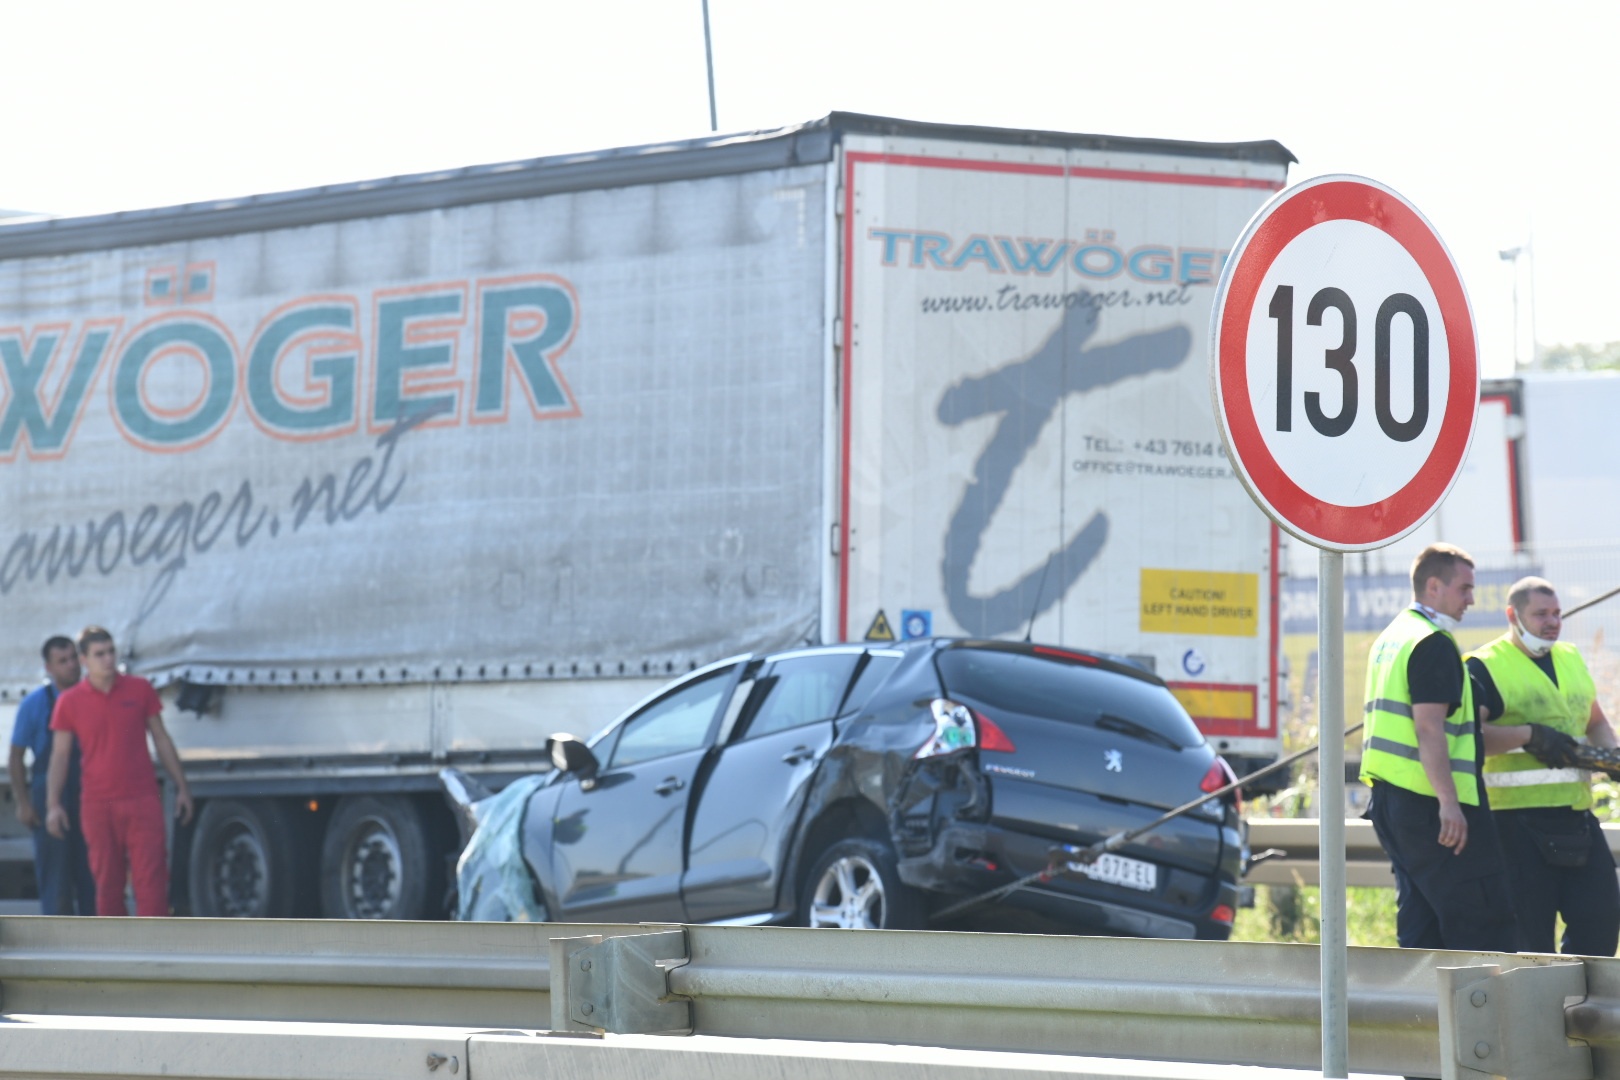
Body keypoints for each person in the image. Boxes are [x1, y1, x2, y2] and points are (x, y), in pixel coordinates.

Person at [1359, 543, 1543, 952]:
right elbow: (1429, 728)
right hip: (1434, 807)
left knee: (1422, 920)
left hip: (1393, 802)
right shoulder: (1432, 642)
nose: (1471, 599)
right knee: (1482, 920)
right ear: (1434, 586)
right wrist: (1449, 803)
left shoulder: (1392, 638)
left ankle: (1422, 1012)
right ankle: (1481, 1014)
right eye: (1464, 589)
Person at [1465, 576, 1620, 956]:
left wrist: (1612, 755)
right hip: (1514, 827)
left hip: (1575, 817)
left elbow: (1594, 719)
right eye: (1540, 614)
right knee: (1529, 941)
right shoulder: (1484, 665)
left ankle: (1581, 1012)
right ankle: (1536, 1012)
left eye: (1556, 613)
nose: (1552, 622)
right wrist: (1527, 735)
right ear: (1512, 615)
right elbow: (1469, 737)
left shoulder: (1568, 656)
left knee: (1601, 921)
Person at [46, 626, 193, 916]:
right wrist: (53, 805)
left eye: (111, 651)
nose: (108, 659)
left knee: (151, 878)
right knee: (107, 882)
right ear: (84, 659)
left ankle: (155, 951)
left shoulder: (139, 689)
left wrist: (182, 787)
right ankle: (114, 955)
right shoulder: (70, 701)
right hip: (98, 803)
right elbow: (60, 756)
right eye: (99, 654)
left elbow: (161, 738)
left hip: (141, 797)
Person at [6, 637, 97, 914]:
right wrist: (24, 803)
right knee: (55, 883)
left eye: (73, 658)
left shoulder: (93, 698)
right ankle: (60, 949)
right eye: (63, 661)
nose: (71, 666)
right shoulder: (34, 704)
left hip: (89, 795)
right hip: (49, 796)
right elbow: (16, 757)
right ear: (48, 667)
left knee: (91, 878)